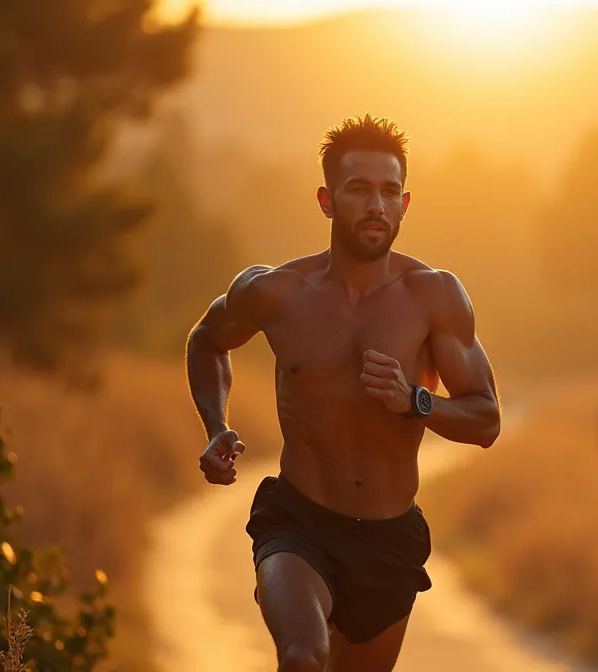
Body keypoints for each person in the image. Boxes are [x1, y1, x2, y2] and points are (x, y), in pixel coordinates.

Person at [184, 113, 501, 672]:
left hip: (388, 536)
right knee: (305, 656)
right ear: (327, 201)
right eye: (359, 190)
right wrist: (216, 425)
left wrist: (416, 401)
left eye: (389, 191)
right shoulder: (276, 292)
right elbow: (207, 341)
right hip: (299, 522)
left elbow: (486, 420)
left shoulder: (435, 297)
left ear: (405, 204)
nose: (376, 205)